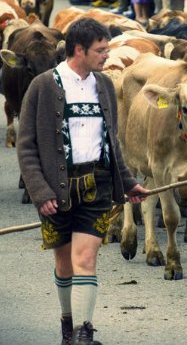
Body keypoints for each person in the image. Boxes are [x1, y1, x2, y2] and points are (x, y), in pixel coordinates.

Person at [17, 18, 148, 345]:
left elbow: (111, 141)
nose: (107, 56)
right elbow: (26, 144)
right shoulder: (43, 86)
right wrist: (39, 191)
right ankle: (68, 326)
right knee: (64, 263)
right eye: (101, 50)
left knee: (85, 259)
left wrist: (128, 182)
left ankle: (82, 333)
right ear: (79, 50)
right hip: (55, 189)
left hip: (98, 185)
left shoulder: (104, 85)